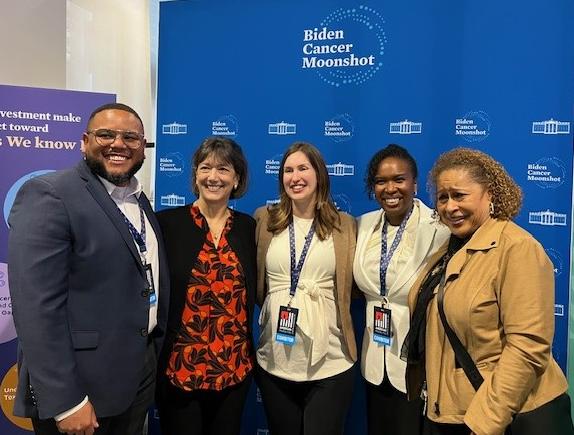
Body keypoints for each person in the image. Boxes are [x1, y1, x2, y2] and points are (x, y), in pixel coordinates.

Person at [8, 103, 169, 435]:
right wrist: (66, 401)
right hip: (81, 388)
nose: (119, 144)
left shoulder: (138, 200)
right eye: (106, 135)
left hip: (136, 374)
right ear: (84, 141)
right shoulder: (50, 194)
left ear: (143, 146)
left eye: (131, 137)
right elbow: (36, 308)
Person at [406, 147, 573, 435]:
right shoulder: (446, 251)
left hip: (499, 418)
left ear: (491, 195)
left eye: (459, 195)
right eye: (442, 197)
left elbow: (527, 347)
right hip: (452, 413)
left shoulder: (518, 249)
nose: (449, 207)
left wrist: (486, 423)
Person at [155, 137, 256, 435]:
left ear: (236, 179)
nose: (213, 177)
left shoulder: (248, 228)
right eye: (205, 167)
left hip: (233, 367)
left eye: (223, 169)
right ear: (195, 175)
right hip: (180, 369)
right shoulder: (166, 224)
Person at [254, 142, 357, 435]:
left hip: (331, 361)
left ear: (320, 175)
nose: (295, 177)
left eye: (303, 168)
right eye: (288, 170)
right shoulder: (265, 220)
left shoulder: (345, 226)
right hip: (275, 360)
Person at [353, 144, 449, 435]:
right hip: (374, 355)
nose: (390, 188)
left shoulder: (439, 227)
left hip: (417, 360)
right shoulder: (363, 224)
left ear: (415, 183)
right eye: (381, 181)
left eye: (399, 179)